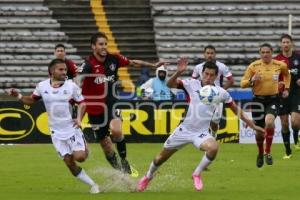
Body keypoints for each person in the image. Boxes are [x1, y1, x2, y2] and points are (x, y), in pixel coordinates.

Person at [136, 58, 264, 192]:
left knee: (213, 148)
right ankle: (147, 177)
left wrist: (253, 125)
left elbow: (236, 110)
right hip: (184, 130)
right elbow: (169, 84)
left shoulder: (221, 92)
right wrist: (178, 72)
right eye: (206, 74)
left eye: (211, 75)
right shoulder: (191, 84)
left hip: (201, 133)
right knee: (160, 158)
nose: (208, 77)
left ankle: (196, 173)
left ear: (216, 76)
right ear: (202, 73)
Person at [77, 32, 166, 176]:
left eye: (105, 44)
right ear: (93, 46)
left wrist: (153, 65)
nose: (104, 47)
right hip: (94, 109)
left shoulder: (114, 59)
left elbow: (133, 62)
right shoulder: (88, 64)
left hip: (110, 103)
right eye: (101, 44)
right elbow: (78, 78)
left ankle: (124, 161)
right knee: (106, 146)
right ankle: (120, 171)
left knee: (117, 130)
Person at [6, 59, 100, 194]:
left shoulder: (71, 86)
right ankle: (93, 185)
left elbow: (83, 103)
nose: (64, 72)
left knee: (80, 157)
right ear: (52, 71)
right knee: (69, 163)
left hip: (71, 127)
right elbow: (32, 100)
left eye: (65, 70)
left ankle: (83, 148)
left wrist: (79, 118)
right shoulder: (42, 86)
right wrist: (18, 95)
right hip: (56, 131)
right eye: (61, 70)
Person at [241, 43, 290, 168]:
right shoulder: (254, 66)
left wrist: (286, 88)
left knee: (269, 122)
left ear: (272, 52)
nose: (265, 54)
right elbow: (242, 83)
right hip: (258, 100)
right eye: (263, 52)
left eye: (267, 52)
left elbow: (287, 74)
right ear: (260, 53)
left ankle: (268, 152)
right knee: (259, 133)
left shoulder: (280, 65)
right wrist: (252, 81)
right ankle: (260, 153)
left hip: (273, 99)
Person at [192, 45, 234, 135]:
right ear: (204, 54)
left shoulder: (221, 66)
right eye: (207, 53)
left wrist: (221, 91)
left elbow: (231, 80)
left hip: (217, 98)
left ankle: (213, 133)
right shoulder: (198, 67)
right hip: (203, 97)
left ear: (215, 54)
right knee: (202, 120)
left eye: (212, 53)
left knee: (214, 121)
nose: (209, 55)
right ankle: (203, 138)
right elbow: (193, 81)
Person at [274, 34, 300, 159]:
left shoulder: (298, 57)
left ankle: (296, 135)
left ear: (291, 43)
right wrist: (278, 84)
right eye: (283, 42)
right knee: (284, 123)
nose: (285, 44)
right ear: (281, 44)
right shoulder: (277, 60)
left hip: (296, 93)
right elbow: (273, 77)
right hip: (282, 95)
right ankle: (288, 151)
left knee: (295, 122)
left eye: (287, 42)